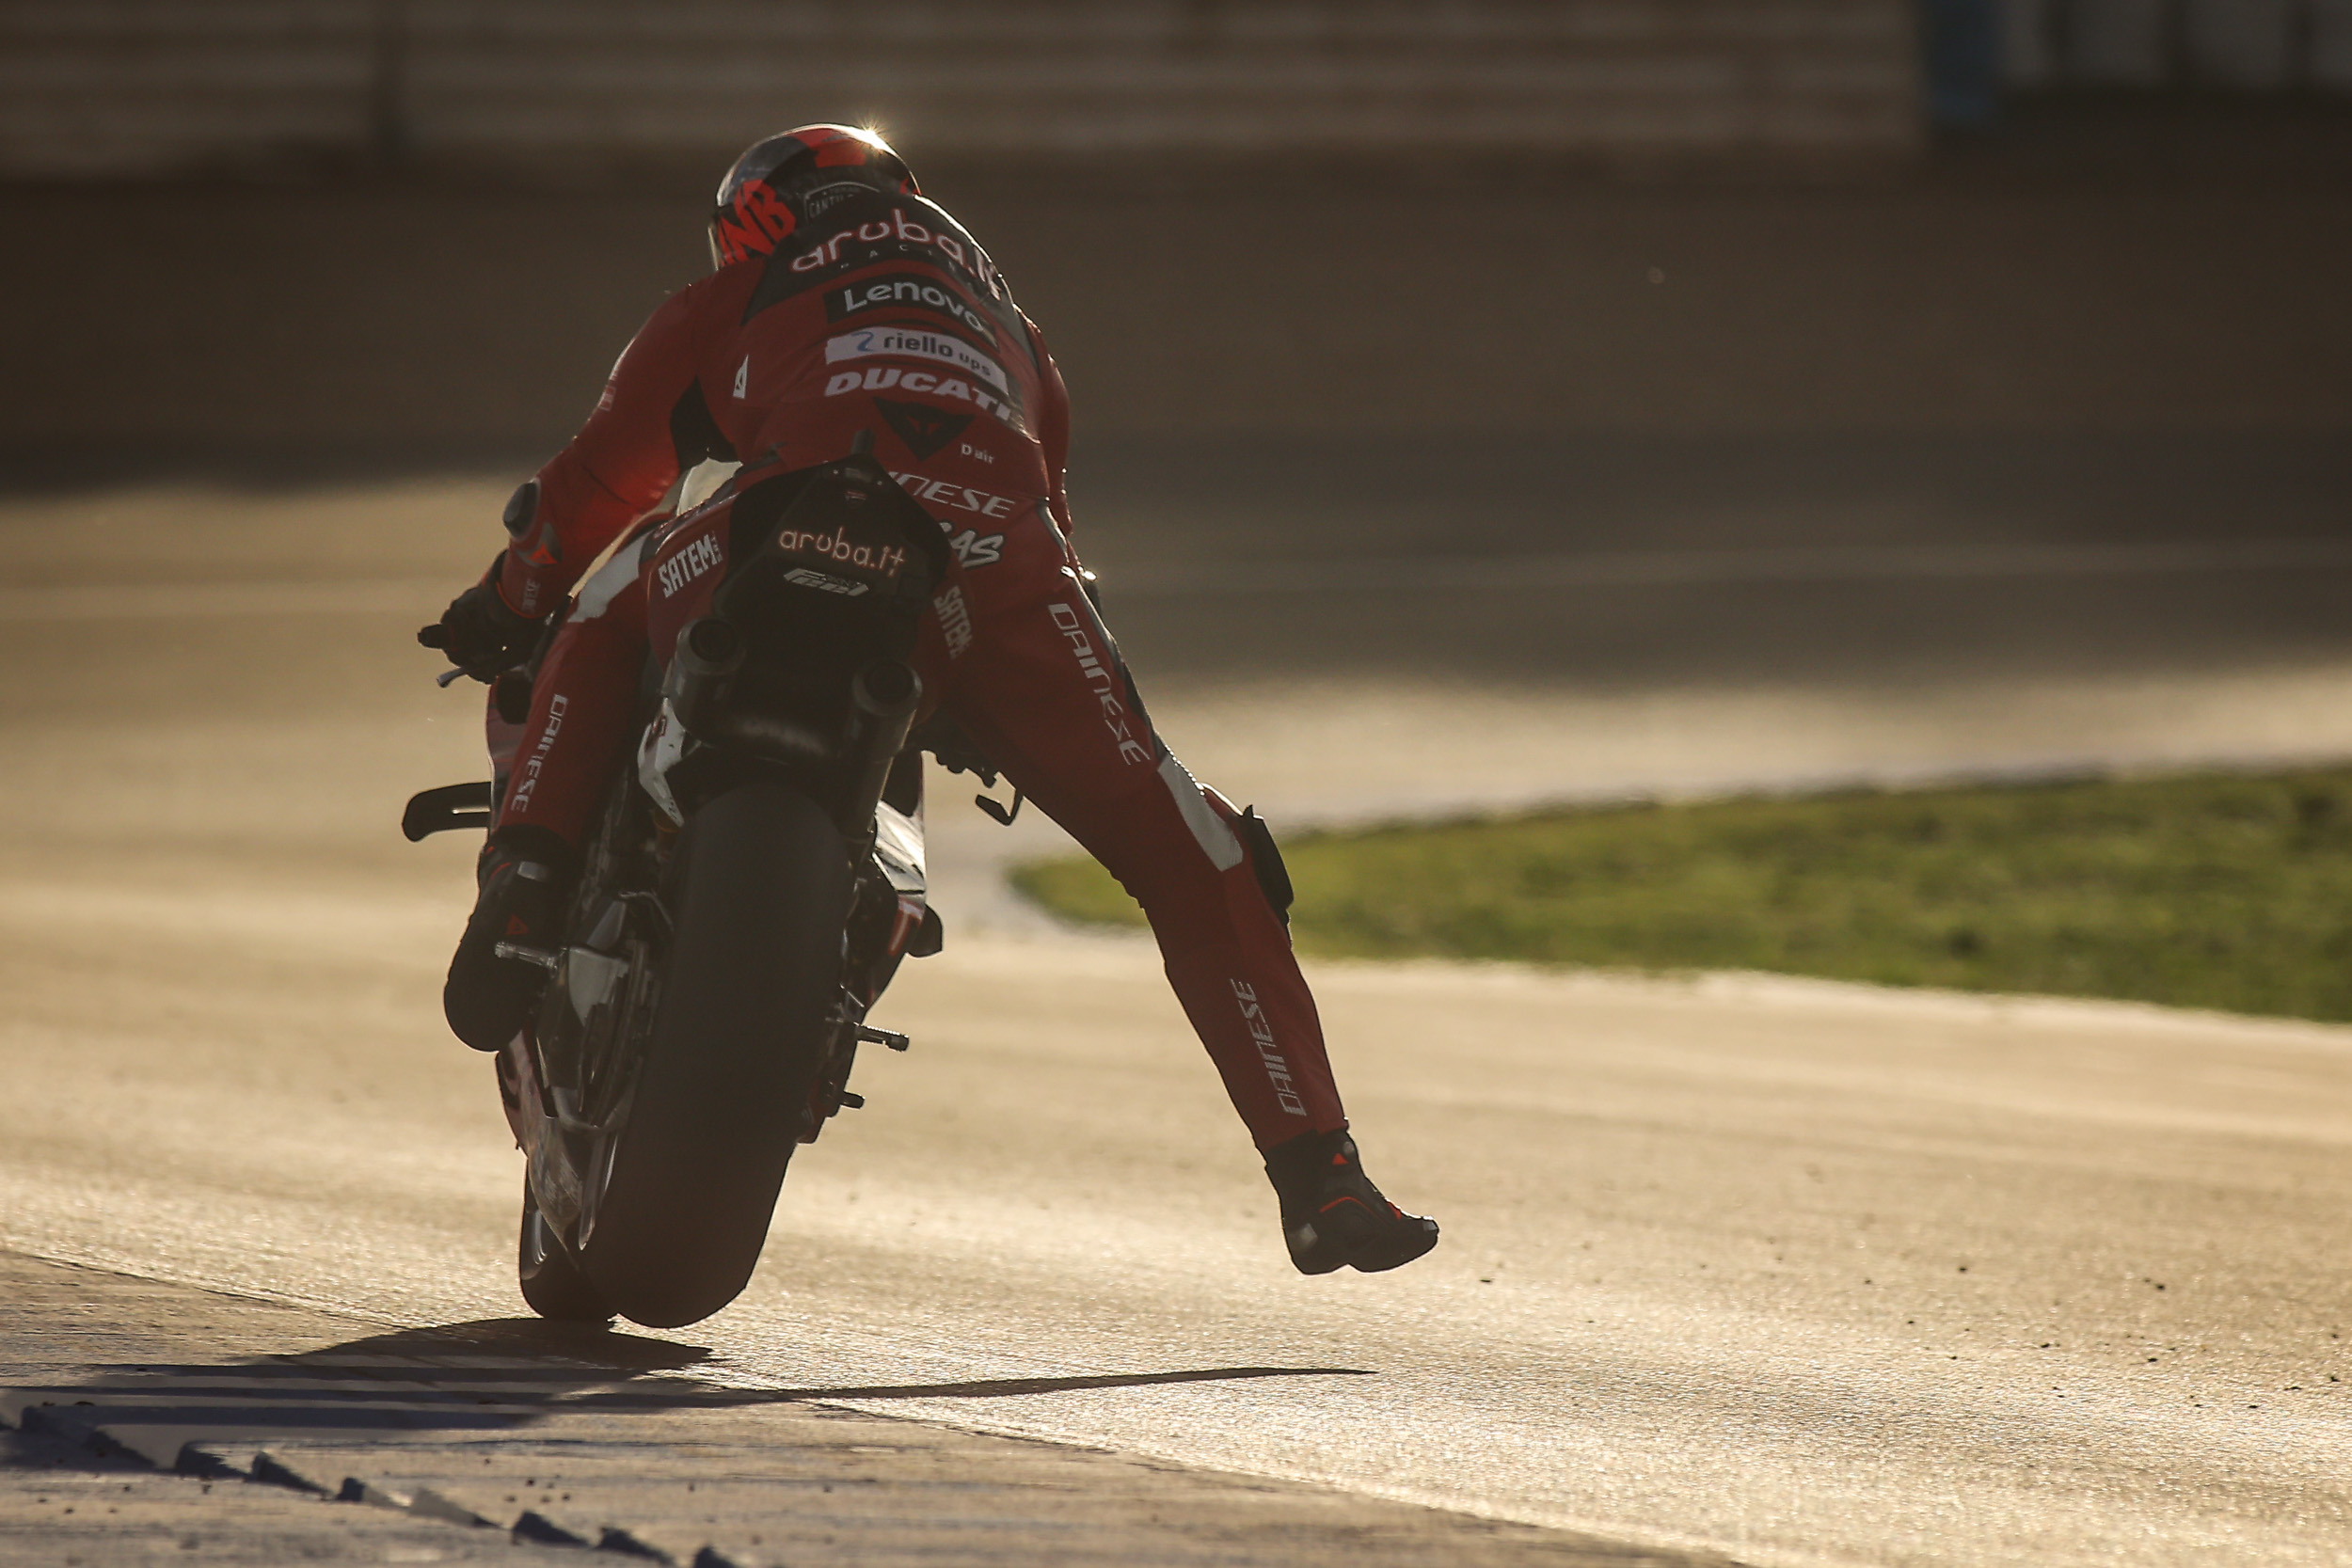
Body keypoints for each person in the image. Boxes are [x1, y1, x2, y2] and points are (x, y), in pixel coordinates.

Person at [421, 126, 1437, 1276]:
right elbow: (1051, 511)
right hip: (991, 566)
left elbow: (603, 475)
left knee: (598, 617)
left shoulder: (737, 285)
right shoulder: (1015, 328)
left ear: (753, 215)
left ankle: (526, 880)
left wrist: (506, 601)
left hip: (777, 514)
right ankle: (1322, 1173)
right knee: (1201, 851)